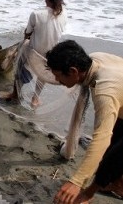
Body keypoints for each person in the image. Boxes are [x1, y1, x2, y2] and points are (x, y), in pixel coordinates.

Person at [46, 40, 123, 203]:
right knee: (112, 152)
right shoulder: (94, 59)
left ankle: (88, 194)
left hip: (116, 95)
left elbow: (102, 138)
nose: (57, 80)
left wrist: (76, 181)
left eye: (58, 75)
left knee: (114, 155)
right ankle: (114, 183)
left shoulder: (105, 92)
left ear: (73, 71)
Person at [5, 0, 67, 107]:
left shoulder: (36, 14)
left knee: (21, 70)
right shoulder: (64, 13)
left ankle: (15, 94)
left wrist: (26, 39)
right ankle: (35, 99)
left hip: (34, 52)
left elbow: (27, 33)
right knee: (42, 75)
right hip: (51, 55)